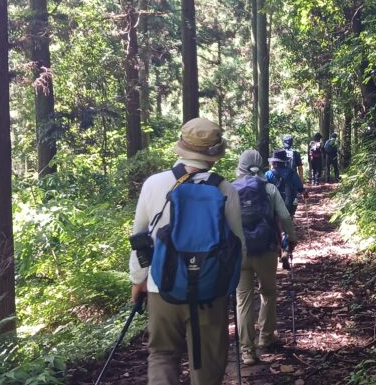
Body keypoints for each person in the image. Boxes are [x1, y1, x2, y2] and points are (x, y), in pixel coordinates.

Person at [129, 118, 245, 385]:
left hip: (162, 287)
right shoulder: (226, 190)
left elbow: (140, 238)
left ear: (182, 147)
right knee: (208, 367)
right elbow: (239, 247)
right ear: (214, 153)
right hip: (210, 290)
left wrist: (139, 280)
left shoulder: (154, 184)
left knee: (162, 355)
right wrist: (228, 285)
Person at [233, 150, 297, 365]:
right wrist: (292, 238)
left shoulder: (229, 190)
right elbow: (285, 216)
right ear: (261, 166)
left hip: (239, 253)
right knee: (268, 293)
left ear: (240, 166)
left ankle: (247, 351)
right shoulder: (269, 188)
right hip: (267, 249)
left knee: (243, 300)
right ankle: (266, 338)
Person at [266, 149, 305, 217]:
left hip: (273, 205)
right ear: (285, 161)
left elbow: (263, 188)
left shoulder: (268, 174)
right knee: (289, 218)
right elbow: (299, 187)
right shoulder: (292, 172)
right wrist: (304, 192)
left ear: (274, 162)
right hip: (289, 204)